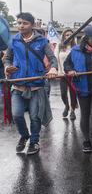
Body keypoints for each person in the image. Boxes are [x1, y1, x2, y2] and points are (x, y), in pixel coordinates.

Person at [4, 12, 58, 154]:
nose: (21, 26)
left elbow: (52, 58)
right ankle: (24, 136)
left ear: (32, 25)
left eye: (25, 23)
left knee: (35, 116)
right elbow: (7, 59)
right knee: (17, 114)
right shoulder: (13, 41)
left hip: (37, 84)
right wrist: (7, 67)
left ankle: (34, 141)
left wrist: (53, 69)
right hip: (18, 83)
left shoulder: (42, 41)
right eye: (19, 23)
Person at [64, 26, 92, 152]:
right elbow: (67, 64)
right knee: (85, 114)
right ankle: (86, 140)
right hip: (82, 86)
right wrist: (70, 70)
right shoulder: (75, 50)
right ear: (86, 38)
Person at [54, 29, 77, 120]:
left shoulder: (75, 47)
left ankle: (72, 110)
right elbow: (56, 59)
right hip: (62, 74)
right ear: (64, 36)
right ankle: (66, 106)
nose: (69, 36)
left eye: (71, 35)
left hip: (73, 74)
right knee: (63, 94)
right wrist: (56, 73)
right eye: (67, 35)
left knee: (73, 93)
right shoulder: (59, 47)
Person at [38, 28, 55, 99]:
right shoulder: (34, 43)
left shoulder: (49, 44)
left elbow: (51, 56)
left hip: (47, 69)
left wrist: (47, 64)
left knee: (47, 86)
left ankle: (47, 99)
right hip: (37, 69)